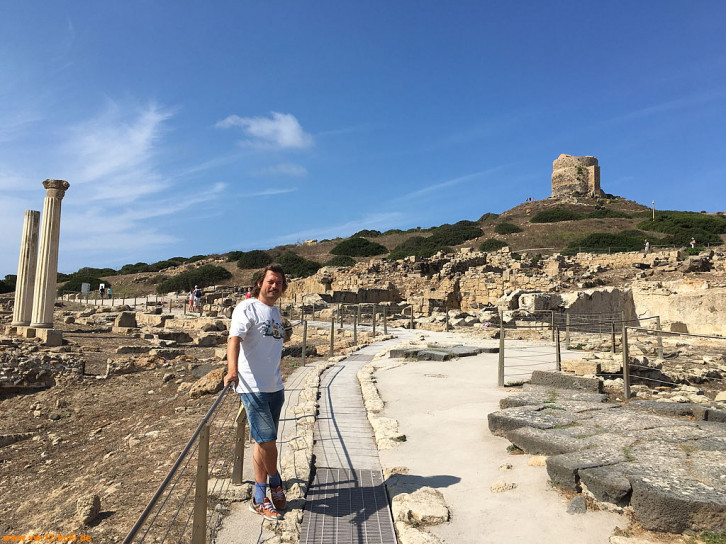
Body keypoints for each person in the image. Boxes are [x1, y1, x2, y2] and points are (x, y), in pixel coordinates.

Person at [224, 264, 288, 521]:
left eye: (279, 283)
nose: (274, 286)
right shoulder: (247, 307)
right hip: (253, 387)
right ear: (260, 282)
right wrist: (232, 370)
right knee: (267, 441)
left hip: (275, 387)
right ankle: (273, 486)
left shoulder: (276, 312)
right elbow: (234, 339)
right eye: (271, 281)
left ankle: (260, 495)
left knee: (262, 444)